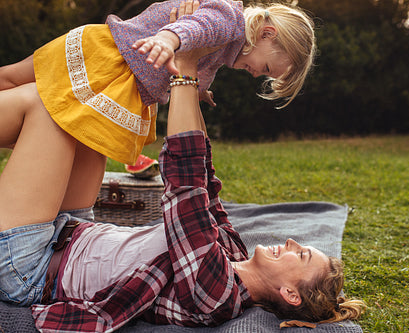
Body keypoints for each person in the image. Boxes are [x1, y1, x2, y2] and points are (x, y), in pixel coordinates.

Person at [0, 30, 364, 333]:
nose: (290, 241)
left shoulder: (216, 294)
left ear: (290, 294)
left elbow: (185, 192)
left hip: (30, 267)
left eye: (300, 254)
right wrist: (194, 89)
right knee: (92, 116)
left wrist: (185, 71)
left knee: (47, 108)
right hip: (72, 231)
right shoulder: (231, 252)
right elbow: (204, 178)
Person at [0, 0, 316, 234]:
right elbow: (197, 27)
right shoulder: (228, 18)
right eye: (266, 69)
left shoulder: (224, 51)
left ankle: (61, 226)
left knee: (72, 136)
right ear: (267, 33)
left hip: (121, 83)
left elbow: (191, 65)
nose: (256, 74)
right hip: (108, 58)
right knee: (13, 80)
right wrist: (168, 39)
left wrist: (200, 89)